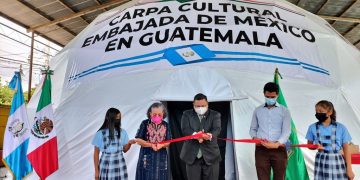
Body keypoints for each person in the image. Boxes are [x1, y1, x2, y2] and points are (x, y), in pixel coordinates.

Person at [249, 82, 291, 180]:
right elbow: (253, 129)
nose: (270, 99)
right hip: (261, 150)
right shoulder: (258, 110)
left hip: (279, 149)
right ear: (264, 93)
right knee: (262, 177)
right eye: (268, 96)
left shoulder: (284, 111)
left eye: (273, 97)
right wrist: (255, 138)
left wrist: (277, 144)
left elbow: (287, 131)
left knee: (279, 177)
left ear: (277, 95)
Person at [305, 100, 355, 180]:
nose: (318, 113)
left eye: (321, 111)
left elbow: (346, 149)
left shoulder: (341, 127)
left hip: (337, 160)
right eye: (316, 111)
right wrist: (315, 146)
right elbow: (309, 145)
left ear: (329, 112)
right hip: (321, 161)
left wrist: (349, 169)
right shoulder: (312, 127)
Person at [180, 93, 221, 180]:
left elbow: (217, 129)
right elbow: (185, 129)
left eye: (203, 105)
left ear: (207, 104)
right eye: (197, 106)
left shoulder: (215, 115)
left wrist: (208, 135)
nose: (200, 108)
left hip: (211, 155)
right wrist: (196, 135)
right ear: (193, 104)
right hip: (192, 156)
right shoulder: (186, 114)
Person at [92, 108, 135, 180]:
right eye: (116, 119)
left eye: (119, 119)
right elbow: (96, 153)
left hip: (120, 165)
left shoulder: (122, 132)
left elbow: (125, 150)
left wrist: (129, 144)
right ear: (109, 118)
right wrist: (97, 172)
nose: (117, 121)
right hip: (105, 165)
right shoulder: (100, 134)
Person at [135, 102, 171, 180]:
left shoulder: (166, 125)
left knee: (161, 177)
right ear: (150, 113)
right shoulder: (145, 123)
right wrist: (151, 145)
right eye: (154, 114)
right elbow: (138, 140)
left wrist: (162, 145)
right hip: (146, 156)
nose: (157, 116)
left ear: (163, 114)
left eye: (159, 114)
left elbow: (168, 142)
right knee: (145, 176)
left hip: (161, 157)